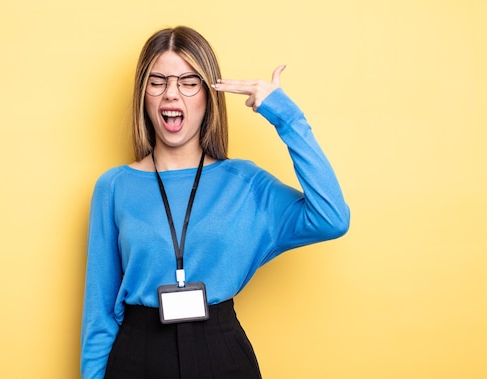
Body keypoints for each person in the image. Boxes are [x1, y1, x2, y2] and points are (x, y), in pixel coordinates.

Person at [81, 25, 350, 379]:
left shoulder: (244, 182)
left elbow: (331, 217)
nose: (171, 95)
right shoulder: (114, 187)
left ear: (208, 95)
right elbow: (99, 314)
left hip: (220, 353)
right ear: (142, 93)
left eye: (189, 82)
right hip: (138, 354)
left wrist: (284, 116)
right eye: (157, 81)